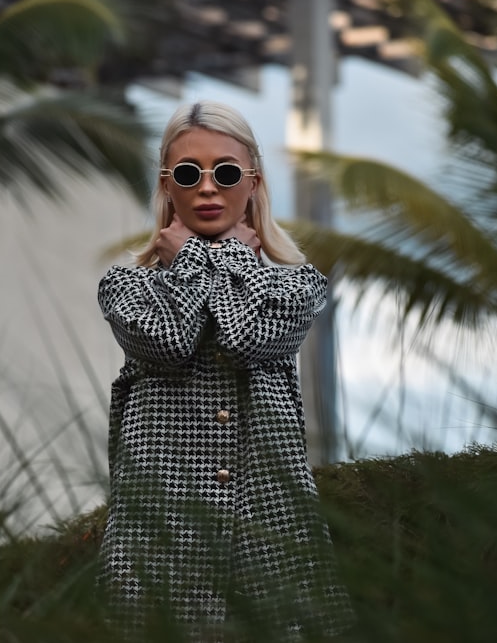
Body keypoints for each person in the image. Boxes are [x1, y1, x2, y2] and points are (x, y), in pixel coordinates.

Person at [97, 101, 353, 641]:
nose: (208, 188)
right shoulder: (126, 286)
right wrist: (192, 260)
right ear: (168, 185)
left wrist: (234, 258)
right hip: (159, 544)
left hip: (270, 536)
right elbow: (168, 342)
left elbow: (247, 342)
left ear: (253, 181)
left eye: (227, 172)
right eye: (189, 174)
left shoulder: (297, 284)